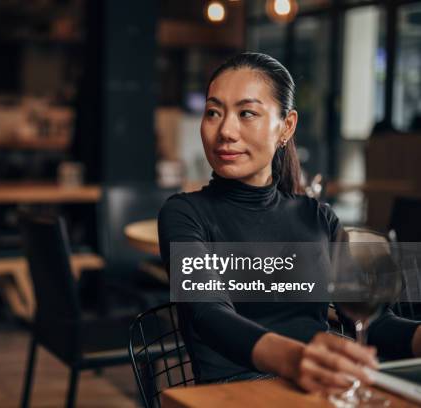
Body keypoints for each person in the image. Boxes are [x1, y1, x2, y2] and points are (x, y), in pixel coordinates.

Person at [158, 52, 421, 394]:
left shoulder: (316, 217)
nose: (225, 131)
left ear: (287, 126)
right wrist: (295, 358)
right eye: (213, 112)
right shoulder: (183, 213)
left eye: (246, 113)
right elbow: (207, 314)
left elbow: (374, 321)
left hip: (315, 391)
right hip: (233, 395)